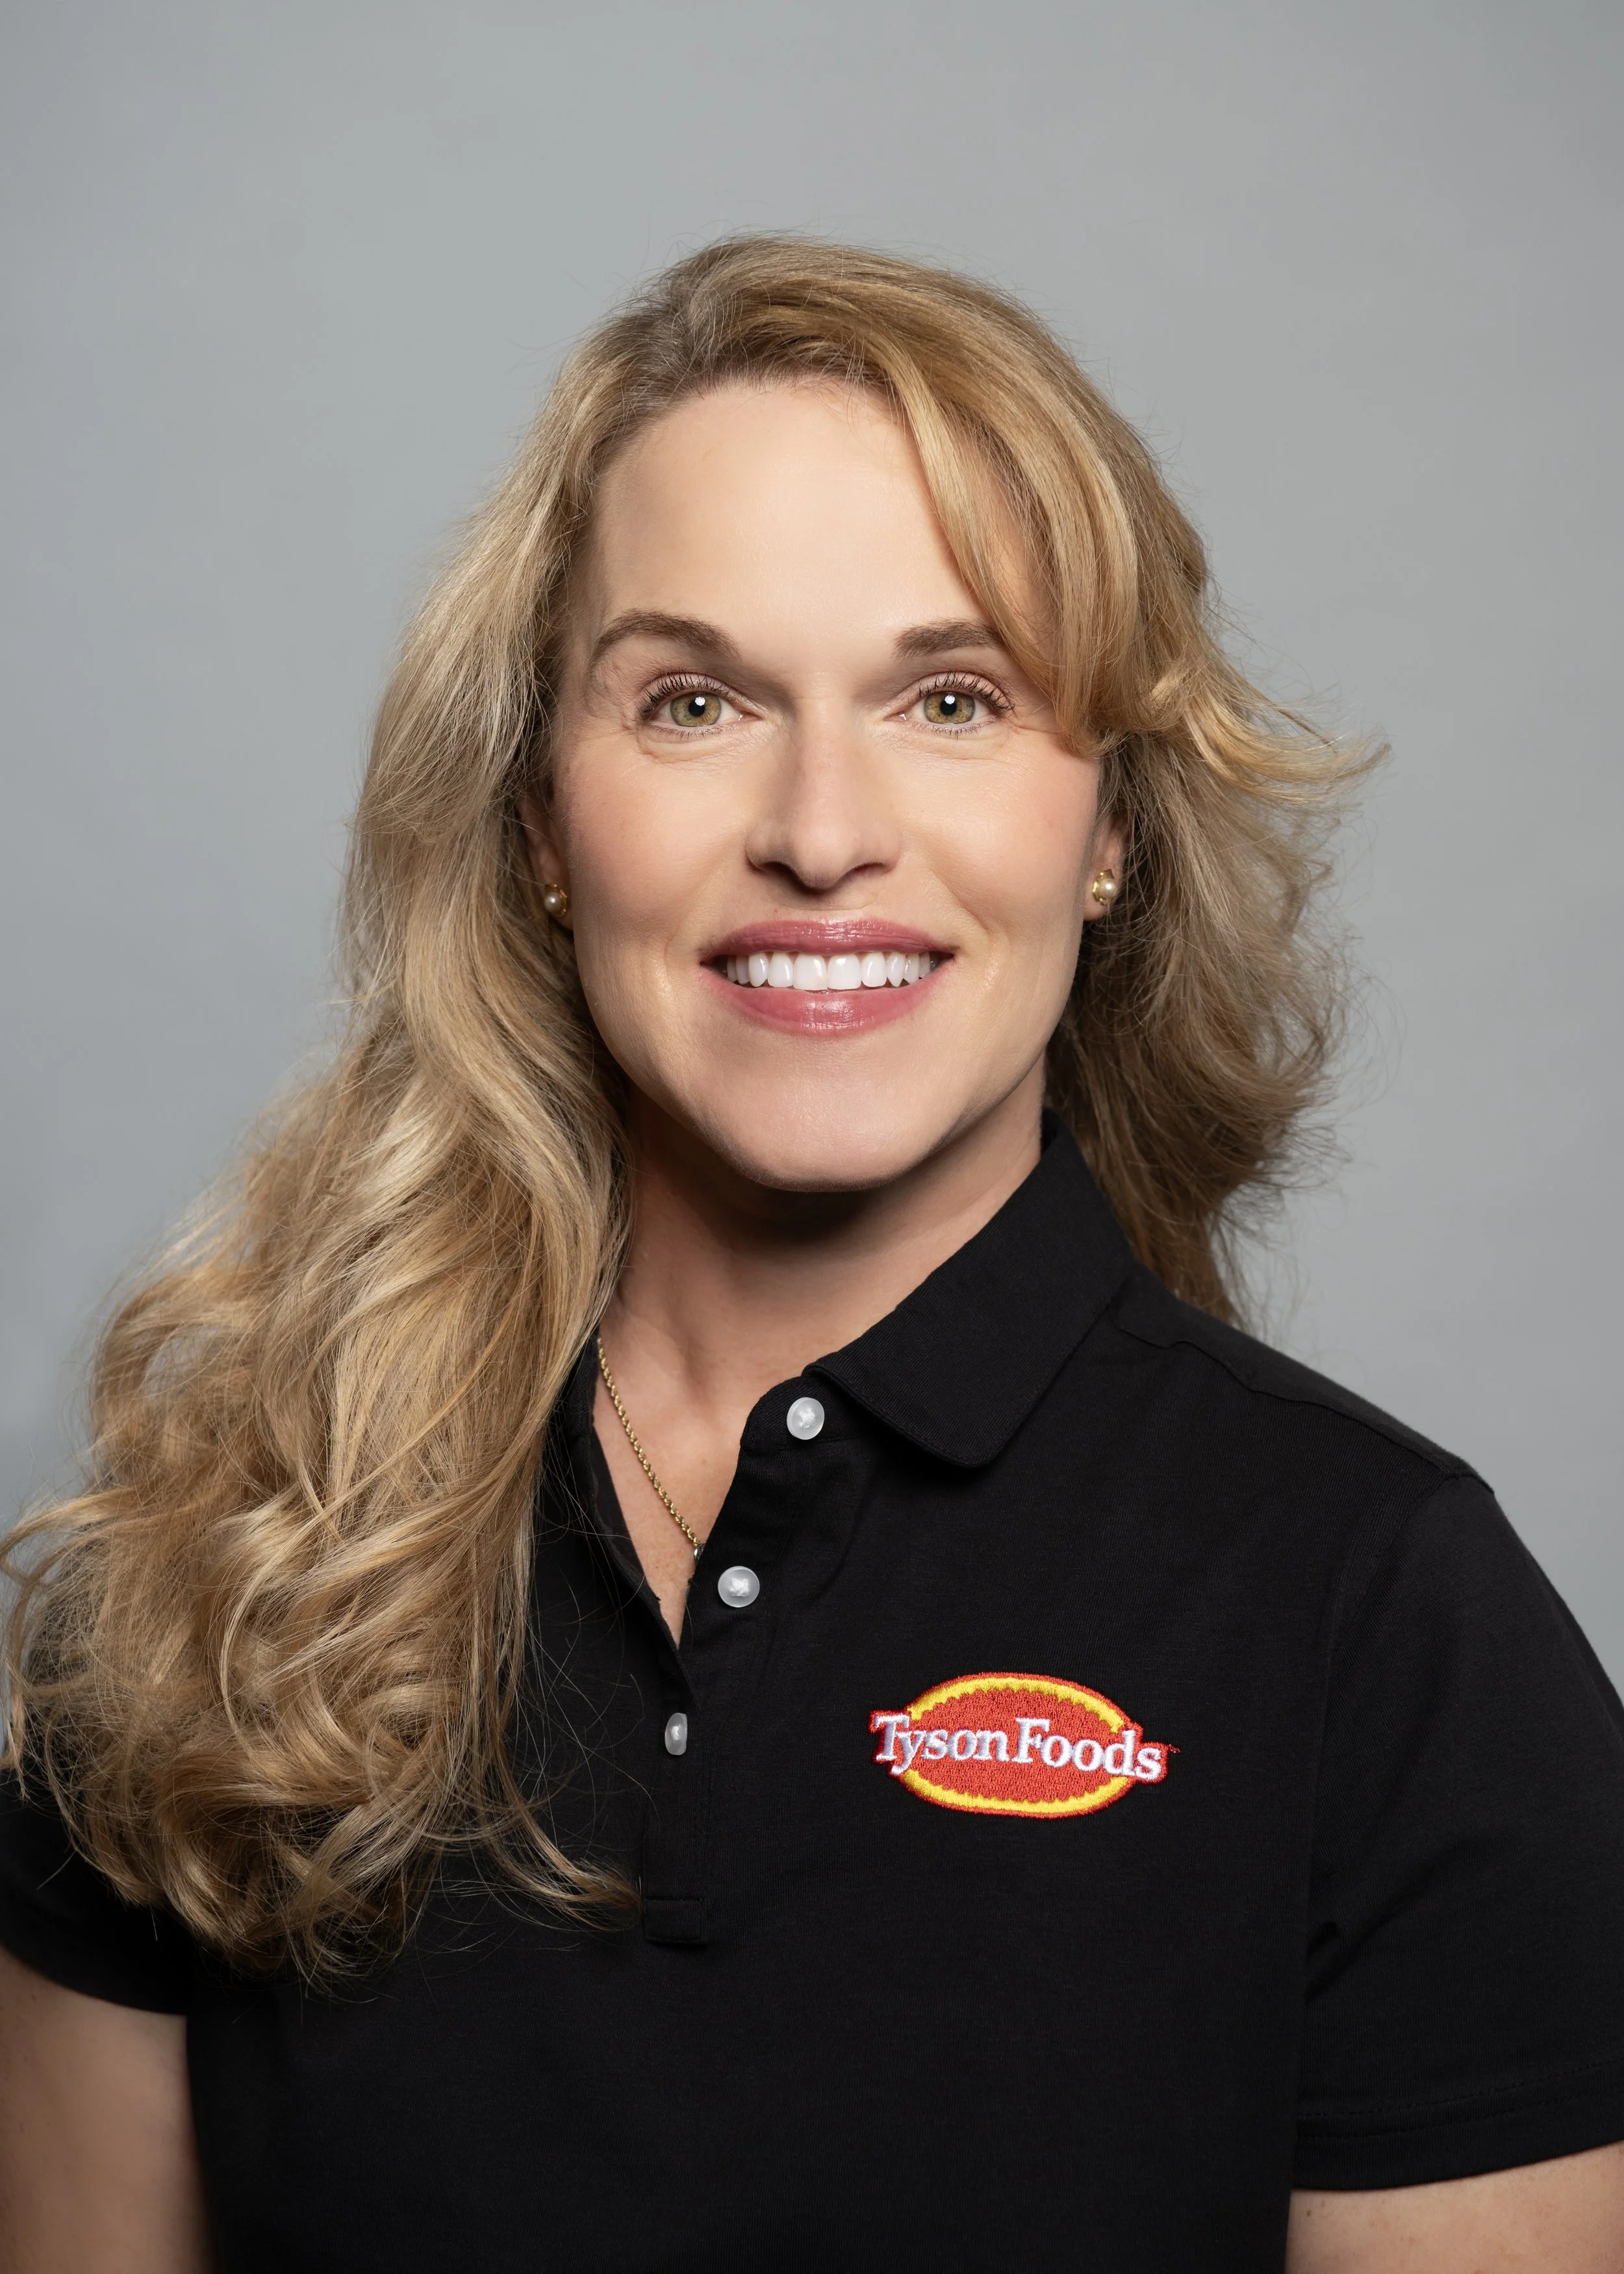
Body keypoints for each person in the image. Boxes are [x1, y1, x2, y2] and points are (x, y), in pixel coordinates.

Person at [2, 236, 1622, 2274]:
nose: (821, 826)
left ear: (1105, 821)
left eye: (951, 697)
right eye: (693, 700)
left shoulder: (1382, 1617)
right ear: (536, 817)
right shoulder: (219, 1571)